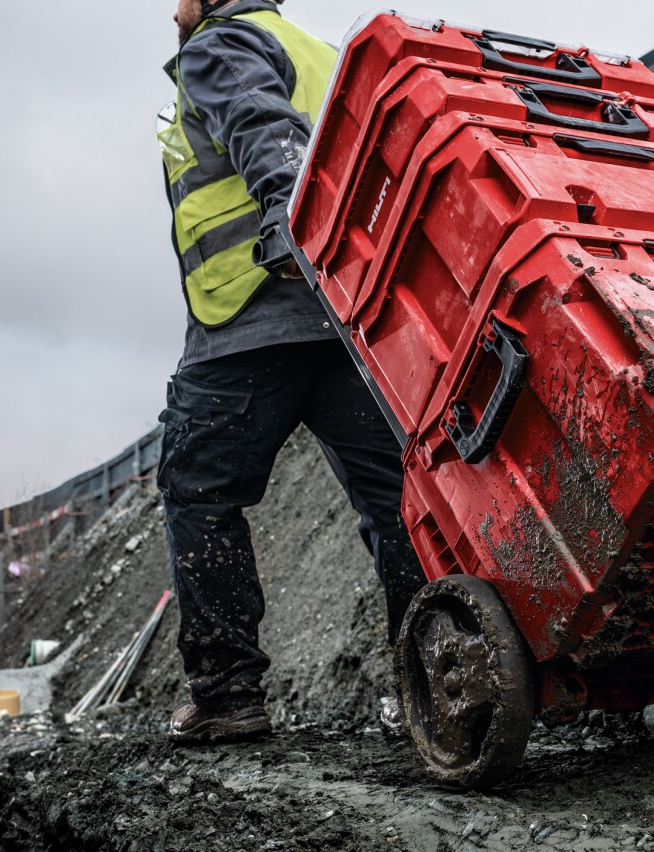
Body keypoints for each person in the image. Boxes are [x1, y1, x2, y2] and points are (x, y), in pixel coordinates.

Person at [155, 0, 429, 742]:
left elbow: (268, 136)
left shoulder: (219, 47)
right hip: (342, 322)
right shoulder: (317, 53)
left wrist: (286, 221)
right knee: (398, 502)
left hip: (251, 318)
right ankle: (433, 681)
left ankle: (226, 695)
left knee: (199, 489)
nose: (169, 7)